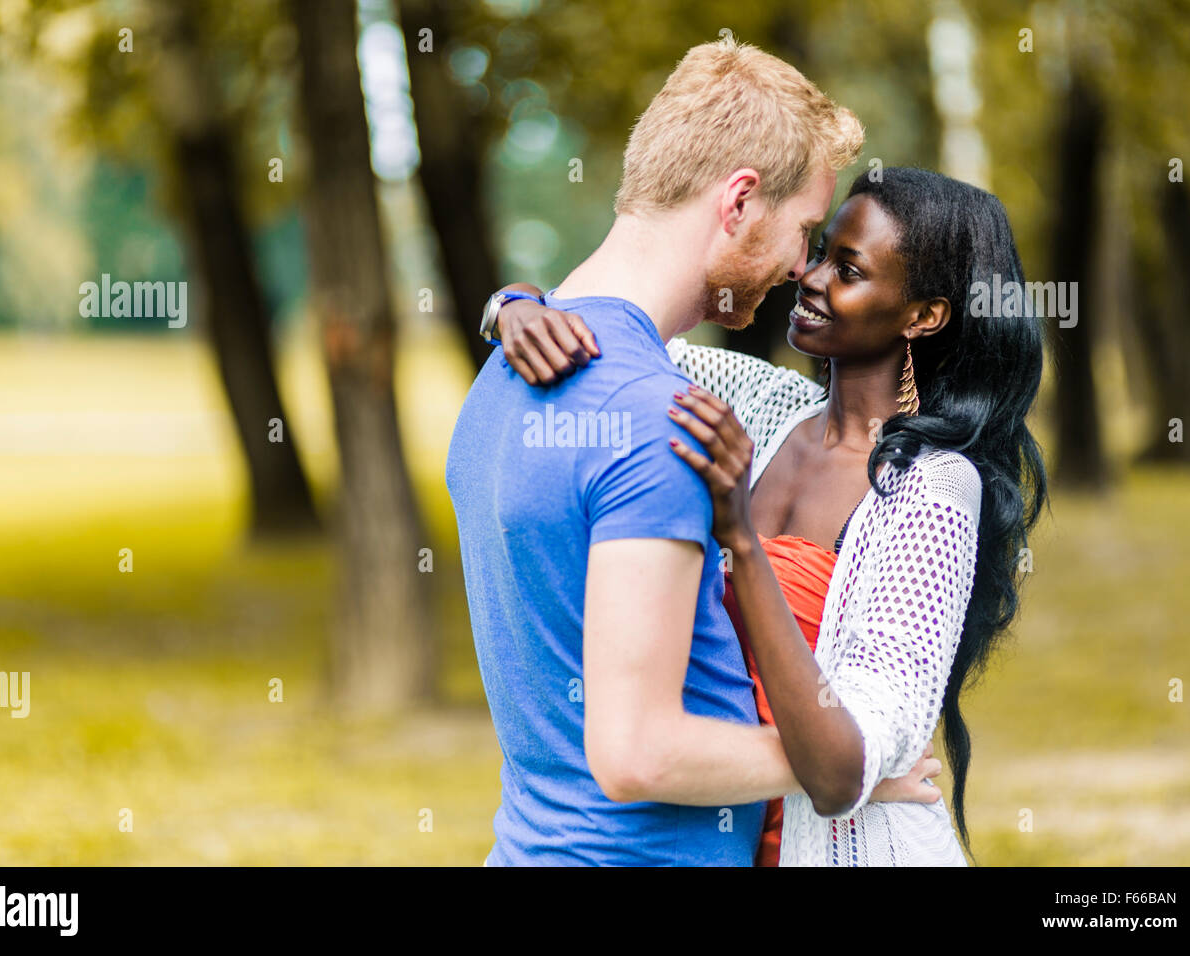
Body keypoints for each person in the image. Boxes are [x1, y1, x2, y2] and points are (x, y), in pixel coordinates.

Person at [445, 39, 940, 867]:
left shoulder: (502, 375)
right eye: (804, 230)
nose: (797, 268)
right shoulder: (662, 421)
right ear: (740, 200)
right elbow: (637, 751)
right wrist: (843, 768)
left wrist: (511, 303)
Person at [494, 166, 1048, 865]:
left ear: (923, 315)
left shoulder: (932, 491)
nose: (809, 278)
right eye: (820, 253)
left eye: (847, 270)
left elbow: (844, 761)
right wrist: (514, 304)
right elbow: (605, 335)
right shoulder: (758, 402)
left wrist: (739, 540)